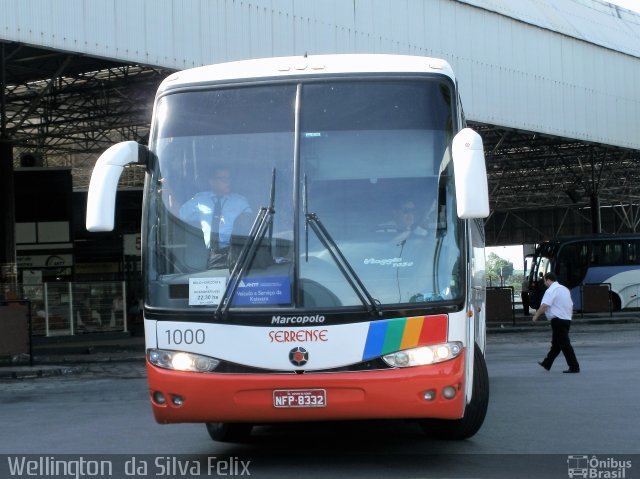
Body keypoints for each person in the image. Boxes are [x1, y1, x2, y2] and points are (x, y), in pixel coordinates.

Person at [179, 165, 251, 268]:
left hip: (235, 254)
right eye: (223, 179)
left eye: (229, 178)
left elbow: (250, 223)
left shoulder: (240, 202)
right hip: (211, 255)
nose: (228, 181)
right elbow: (179, 214)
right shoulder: (200, 200)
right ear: (211, 182)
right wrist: (168, 192)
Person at [532, 272, 580, 373]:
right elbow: (570, 304)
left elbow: (545, 305)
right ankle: (547, 363)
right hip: (566, 319)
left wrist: (536, 316)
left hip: (557, 320)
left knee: (565, 344)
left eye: (544, 281)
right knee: (557, 344)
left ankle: (574, 366)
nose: (544, 283)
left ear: (549, 280)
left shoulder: (551, 290)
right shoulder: (564, 289)